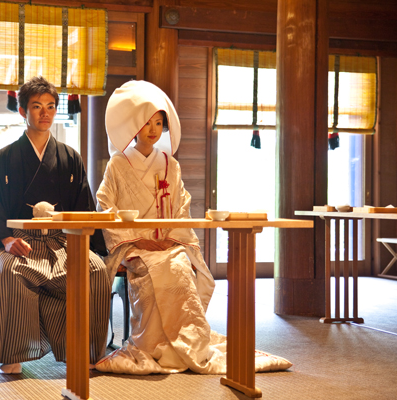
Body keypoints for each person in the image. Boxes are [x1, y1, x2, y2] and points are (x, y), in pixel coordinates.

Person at [94, 80, 291, 375]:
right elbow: (105, 208)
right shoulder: (118, 165)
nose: (153, 129)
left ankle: (181, 344)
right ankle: (151, 344)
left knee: (179, 268)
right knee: (158, 272)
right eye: (147, 122)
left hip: (170, 245)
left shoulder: (170, 165)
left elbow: (181, 208)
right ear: (135, 126)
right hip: (133, 247)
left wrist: (171, 240)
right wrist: (135, 243)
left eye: (159, 123)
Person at [0, 76, 110, 374]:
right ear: (22, 111)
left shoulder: (71, 158)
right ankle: (11, 353)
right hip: (18, 242)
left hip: (63, 241)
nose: (45, 113)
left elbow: (83, 206)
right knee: (7, 272)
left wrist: (80, 241)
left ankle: (83, 349)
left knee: (95, 269)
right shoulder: (4, 158)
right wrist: (6, 241)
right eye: (36, 106)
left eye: (50, 106)